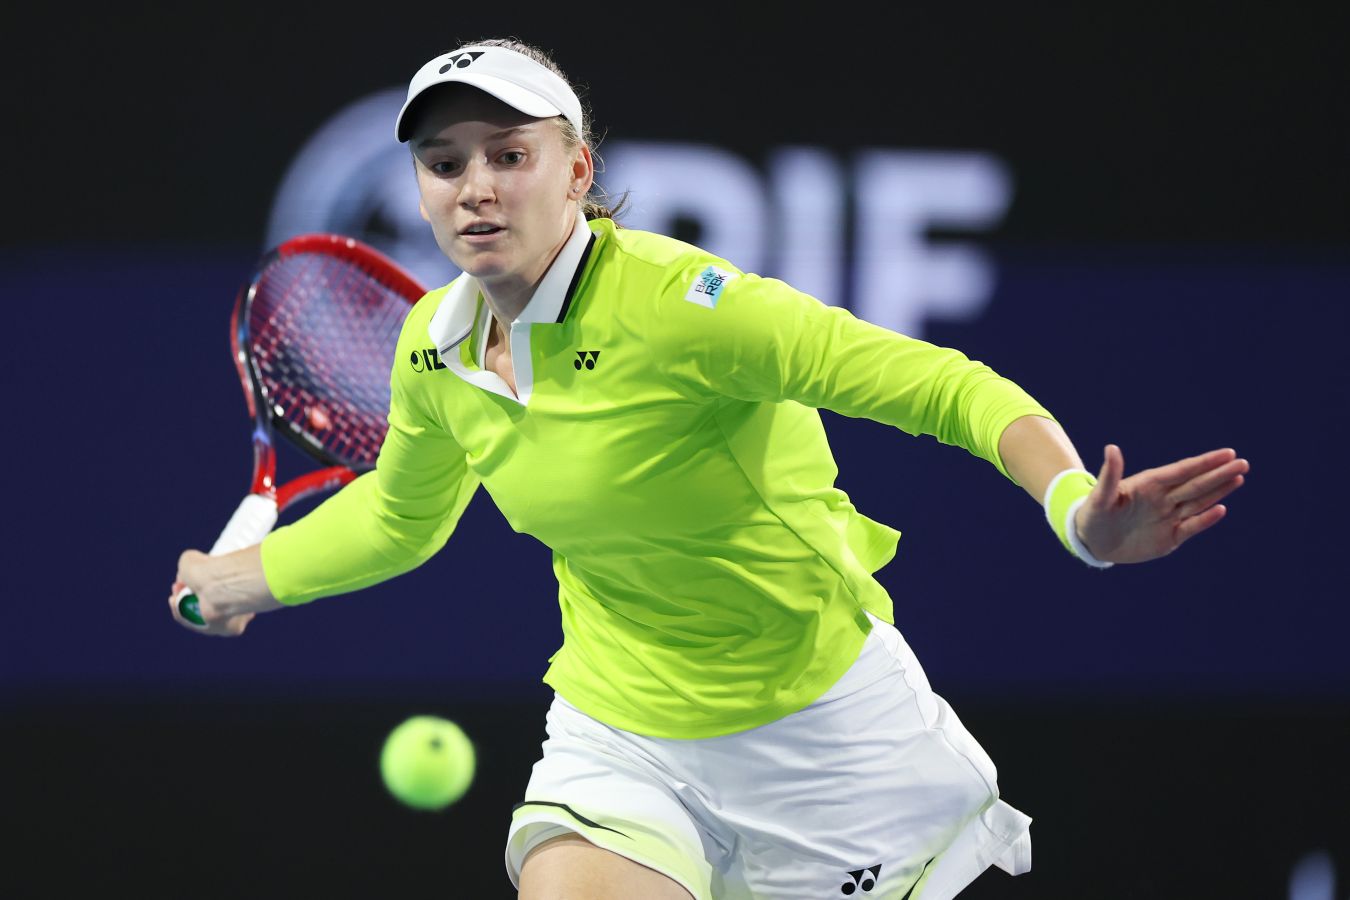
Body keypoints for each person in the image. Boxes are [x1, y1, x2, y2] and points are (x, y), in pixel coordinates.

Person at [169, 37, 1249, 900]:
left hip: (825, 736)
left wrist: (1076, 513)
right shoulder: (435, 348)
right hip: (622, 729)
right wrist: (239, 584)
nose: (475, 188)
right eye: (445, 164)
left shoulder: (688, 310)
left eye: (509, 155)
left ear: (577, 169)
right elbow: (400, 520)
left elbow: (943, 386)